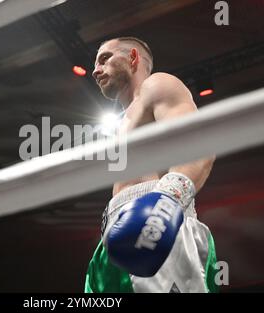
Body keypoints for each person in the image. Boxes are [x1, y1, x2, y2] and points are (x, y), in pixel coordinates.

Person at [84, 37, 218, 293]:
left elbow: (199, 146)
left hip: (158, 227)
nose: (95, 70)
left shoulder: (157, 85)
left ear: (133, 58)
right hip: (114, 241)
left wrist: (164, 206)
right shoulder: (122, 123)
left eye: (105, 58)